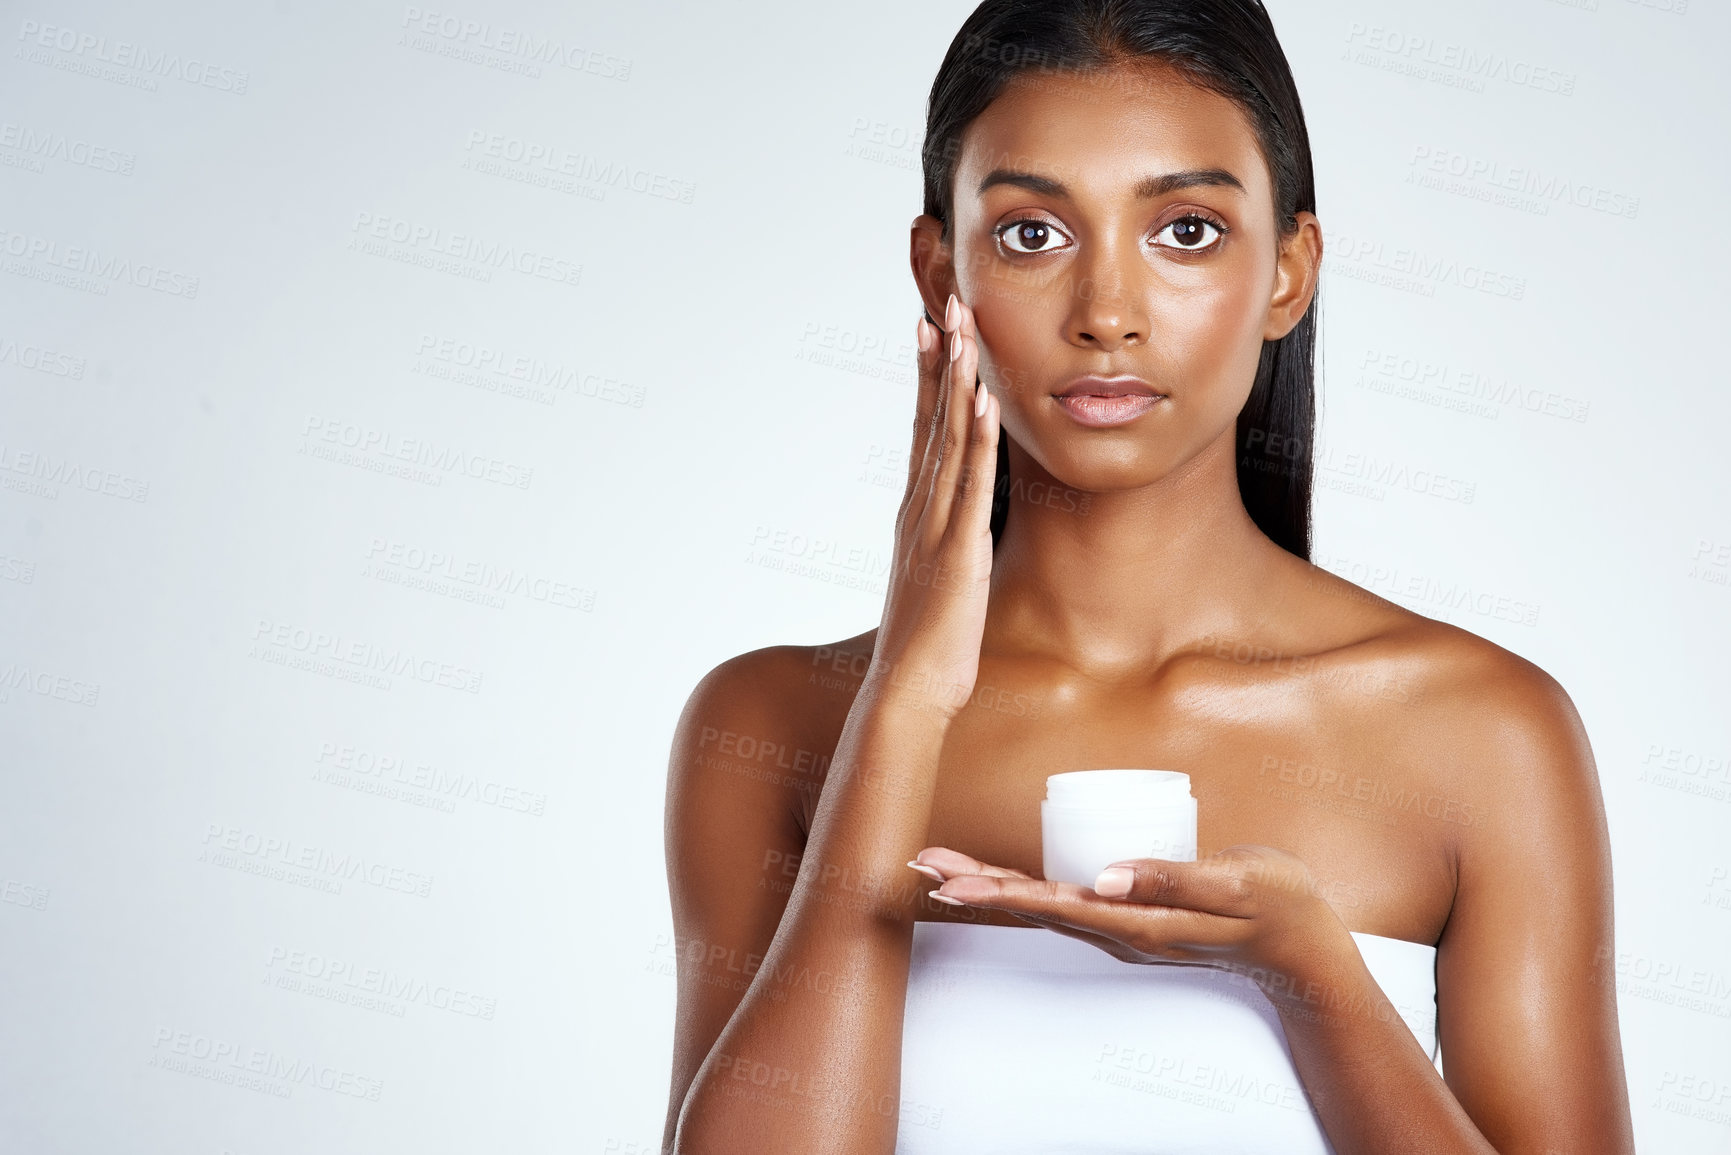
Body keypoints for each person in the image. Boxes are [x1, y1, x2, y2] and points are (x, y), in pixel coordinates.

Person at [660, 1, 1635, 1151]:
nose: (1108, 315)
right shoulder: (773, 722)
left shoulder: (1483, 733)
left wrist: (1312, 975)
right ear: (941, 275)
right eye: (1034, 234)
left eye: (1185, 230)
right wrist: (907, 701)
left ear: (1289, 271)